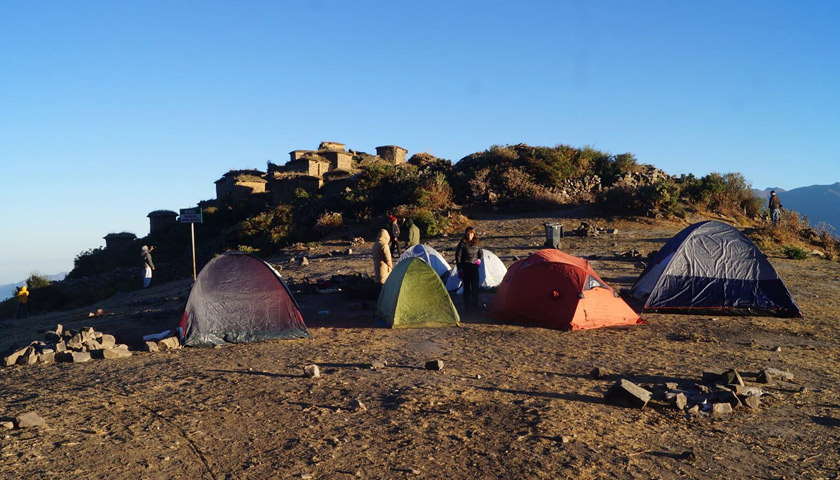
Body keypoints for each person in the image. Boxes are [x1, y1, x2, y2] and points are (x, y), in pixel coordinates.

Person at [455, 226, 483, 312]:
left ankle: (475, 305)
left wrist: (479, 260)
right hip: (465, 268)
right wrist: (460, 268)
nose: (470, 235)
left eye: (472, 233)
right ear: (466, 234)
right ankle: (467, 306)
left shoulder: (476, 244)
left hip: (474, 268)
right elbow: (458, 257)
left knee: (475, 288)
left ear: (474, 234)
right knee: (466, 288)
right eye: (468, 233)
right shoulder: (462, 244)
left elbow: (481, 253)